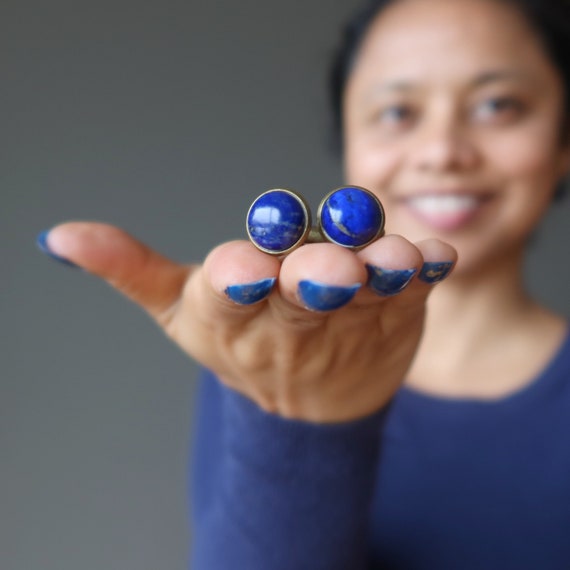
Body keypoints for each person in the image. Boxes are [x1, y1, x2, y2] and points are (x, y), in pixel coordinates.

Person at [36, 0, 570, 567]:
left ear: (563, 141)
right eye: (396, 112)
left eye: (497, 105)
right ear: (349, 142)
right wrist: (305, 428)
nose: (442, 151)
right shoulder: (273, 353)